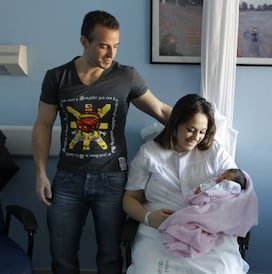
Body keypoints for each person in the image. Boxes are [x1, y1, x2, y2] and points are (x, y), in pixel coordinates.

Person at [31, 10, 171, 274]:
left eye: (116, 46)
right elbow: (43, 125)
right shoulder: (57, 77)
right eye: (104, 45)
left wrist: (202, 124)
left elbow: (162, 111)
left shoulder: (126, 76)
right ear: (84, 41)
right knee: (61, 257)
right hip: (67, 179)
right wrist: (40, 174)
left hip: (112, 180)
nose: (111, 54)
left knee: (109, 257)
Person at [123, 93, 258, 274]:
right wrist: (149, 218)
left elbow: (235, 189)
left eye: (202, 132)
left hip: (207, 230)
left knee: (222, 269)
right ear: (176, 123)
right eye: (191, 129)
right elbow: (130, 199)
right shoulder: (150, 153)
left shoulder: (215, 151)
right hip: (159, 228)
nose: (196, 137)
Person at [158, 167, 257, 258]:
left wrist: (202, 196)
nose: (220, 177)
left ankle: (183, 238)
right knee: (191, 221)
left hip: (214, 211)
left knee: (190, 218)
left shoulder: (229, 187)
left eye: (225, 178)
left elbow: (215, 194)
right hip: (208, 207)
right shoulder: (215, 182)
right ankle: (183, 239)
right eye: (222, 175)